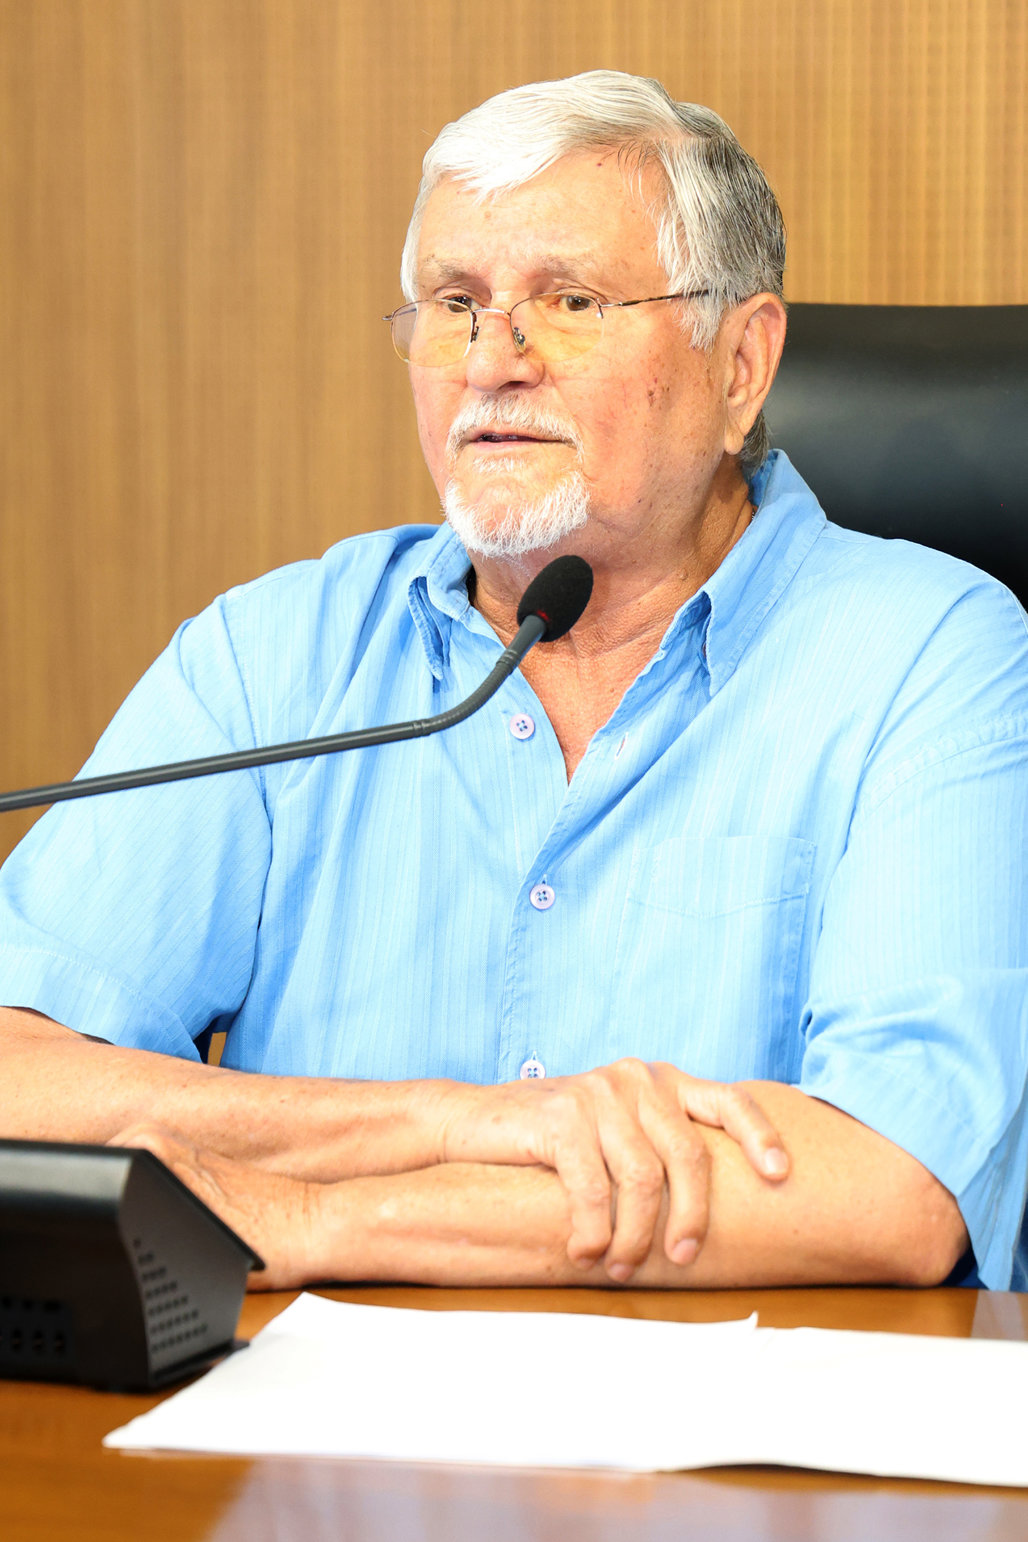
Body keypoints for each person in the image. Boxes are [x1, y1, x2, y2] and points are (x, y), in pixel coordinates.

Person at [0, 71, 1025, 1292]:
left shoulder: (926, 656)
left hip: (736, 1408)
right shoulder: (273, 658)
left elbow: (896, 1185)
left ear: (740, 365)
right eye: (454, 304)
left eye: (569, 301)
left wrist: (316, 1219)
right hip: (312, 1407)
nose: (490, 361)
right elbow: (18, 1074)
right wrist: (449, 1123)